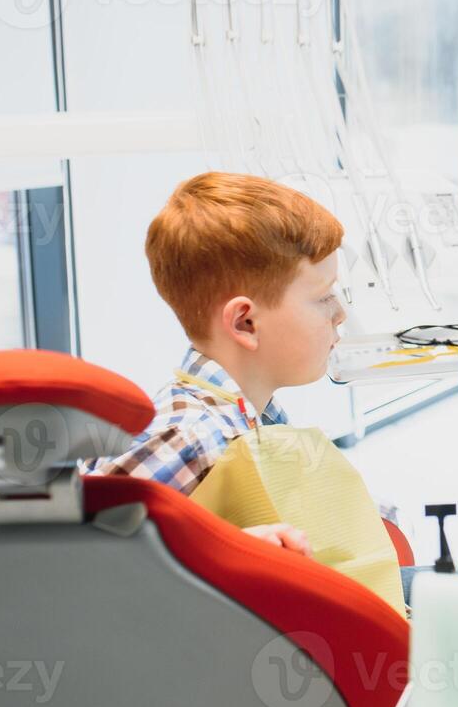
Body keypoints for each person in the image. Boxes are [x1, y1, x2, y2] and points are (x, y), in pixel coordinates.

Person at [84, 172, 349, 553]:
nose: (339, 313)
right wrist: (222, 551)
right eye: (324, 297)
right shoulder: (192, 435)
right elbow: (89, 557)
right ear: (245, 322)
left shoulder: (251, 416)